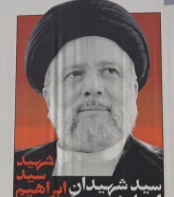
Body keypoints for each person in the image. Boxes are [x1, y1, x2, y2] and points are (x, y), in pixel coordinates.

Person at [15, 0, 164, 178]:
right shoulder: (16, 169)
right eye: (75, 74)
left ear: (133, 90)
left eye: (110, 71)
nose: (93, 87)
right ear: (49, 97)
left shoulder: (165, 171)